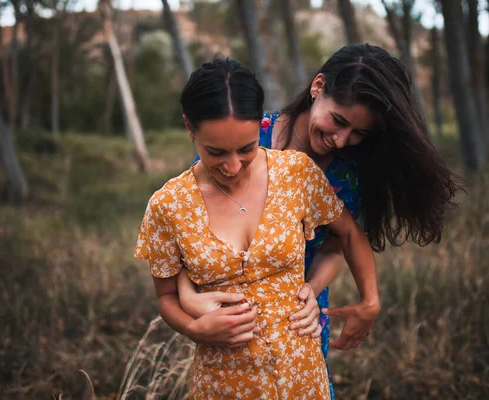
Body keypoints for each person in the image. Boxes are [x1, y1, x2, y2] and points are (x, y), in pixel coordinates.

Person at [177, 43, 466, 398]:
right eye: (339, 121)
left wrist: (310, 293)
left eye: (358, 133)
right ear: (318, 88)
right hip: (234, 322)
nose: (341, 141)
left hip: (303, 319)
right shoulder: (243, 139)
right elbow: (190, 234)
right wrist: (194, 311)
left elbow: (336, 244)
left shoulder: (348, 171)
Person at [135, 58, 380, 399]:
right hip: (224, 383)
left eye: (247, 149)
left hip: (302, 374)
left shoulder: (296, 173)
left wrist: (355, 297)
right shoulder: (168, 206)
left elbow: (348, 235)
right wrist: (194, 328)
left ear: (259, 128)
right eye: (215, 152)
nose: (233, 166)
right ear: (189, 128)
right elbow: (167, 295)